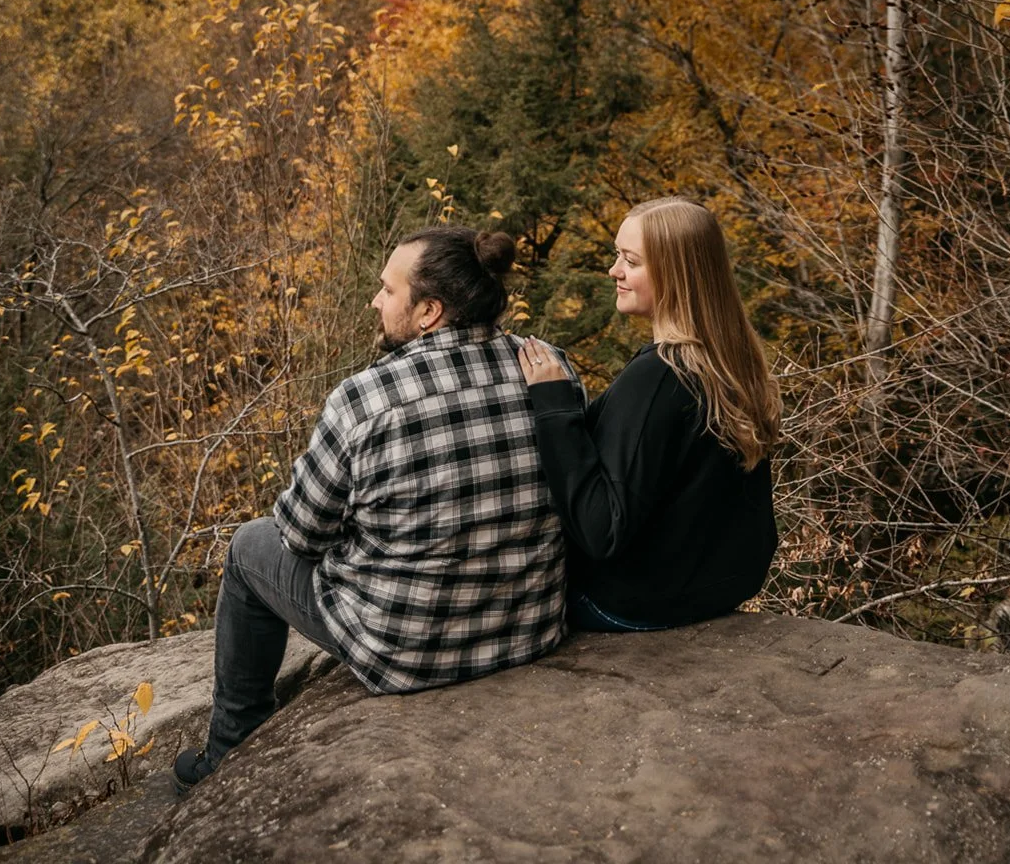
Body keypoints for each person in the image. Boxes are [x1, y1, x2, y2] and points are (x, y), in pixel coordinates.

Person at [175, 226, 581, 795]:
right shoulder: (549, 366)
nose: (375, 301)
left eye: (388, 291)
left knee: (249, 546)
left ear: (429, 313)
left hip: (406, 653)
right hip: (528, 631)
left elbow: (298, 531)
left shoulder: (365, 398)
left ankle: (228, 750)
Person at [518, 197, 781, 632]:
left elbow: (601, 529)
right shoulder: (729, 360)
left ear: (677, 275)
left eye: (631, 261)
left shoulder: (660, 375)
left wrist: (554, 407)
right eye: (617, 255)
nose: (614, 271)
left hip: (632, 605)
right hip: (718, 590)